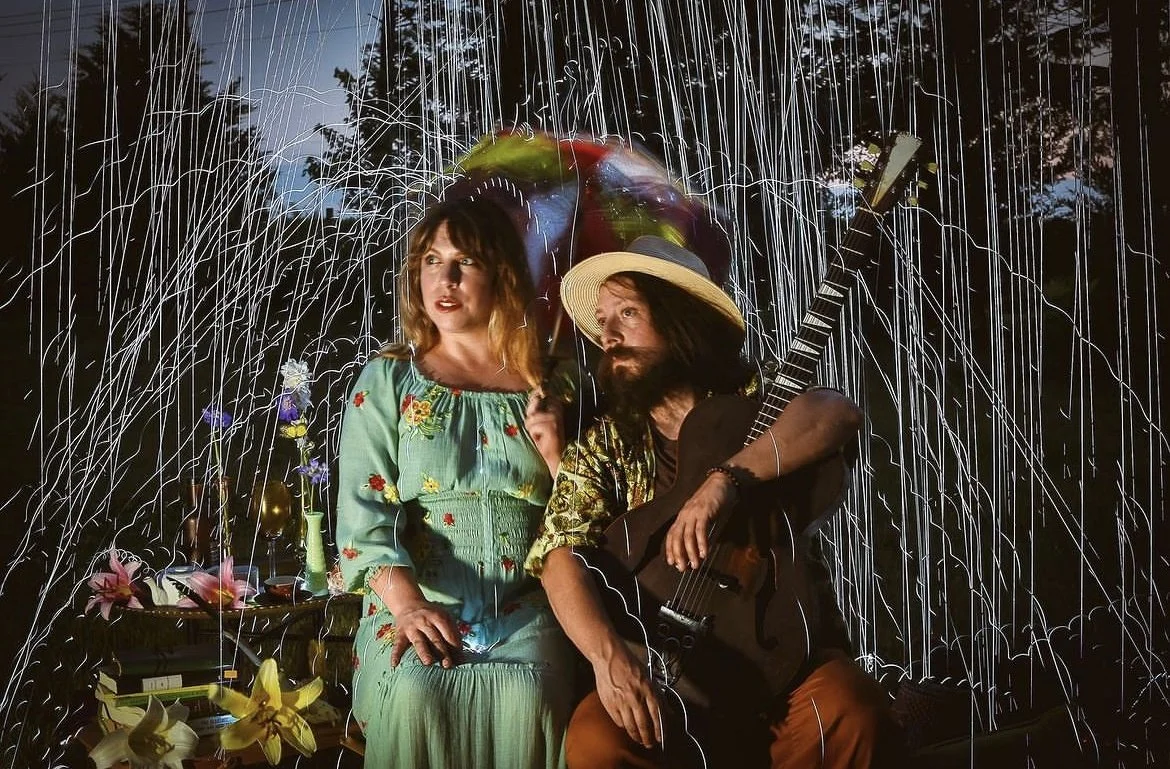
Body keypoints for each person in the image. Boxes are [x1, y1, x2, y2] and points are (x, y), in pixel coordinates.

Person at [524, 236, 904, 768]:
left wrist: (727, 480)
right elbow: (559, 554)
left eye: (627, 313)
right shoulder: (605, 444)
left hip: (780, 656)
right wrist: (608, 657)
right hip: (663, 666)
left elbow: (835, 413)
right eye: (603, 319)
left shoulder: (757, 403)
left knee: (852, 711)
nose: (607, 335)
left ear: (679, 320)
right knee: (595, 742)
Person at [336, 197, 575, 768]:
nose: (443, 279)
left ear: (501, 275)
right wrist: (409, 606)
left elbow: (587, 517)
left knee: (531, 693)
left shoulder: (553, 384)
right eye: (430, 260)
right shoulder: (389, 378)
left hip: (530, 605)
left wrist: (559, 455)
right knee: (420, 692)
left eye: (465, 262)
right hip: (417, 600)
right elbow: (362, 513)